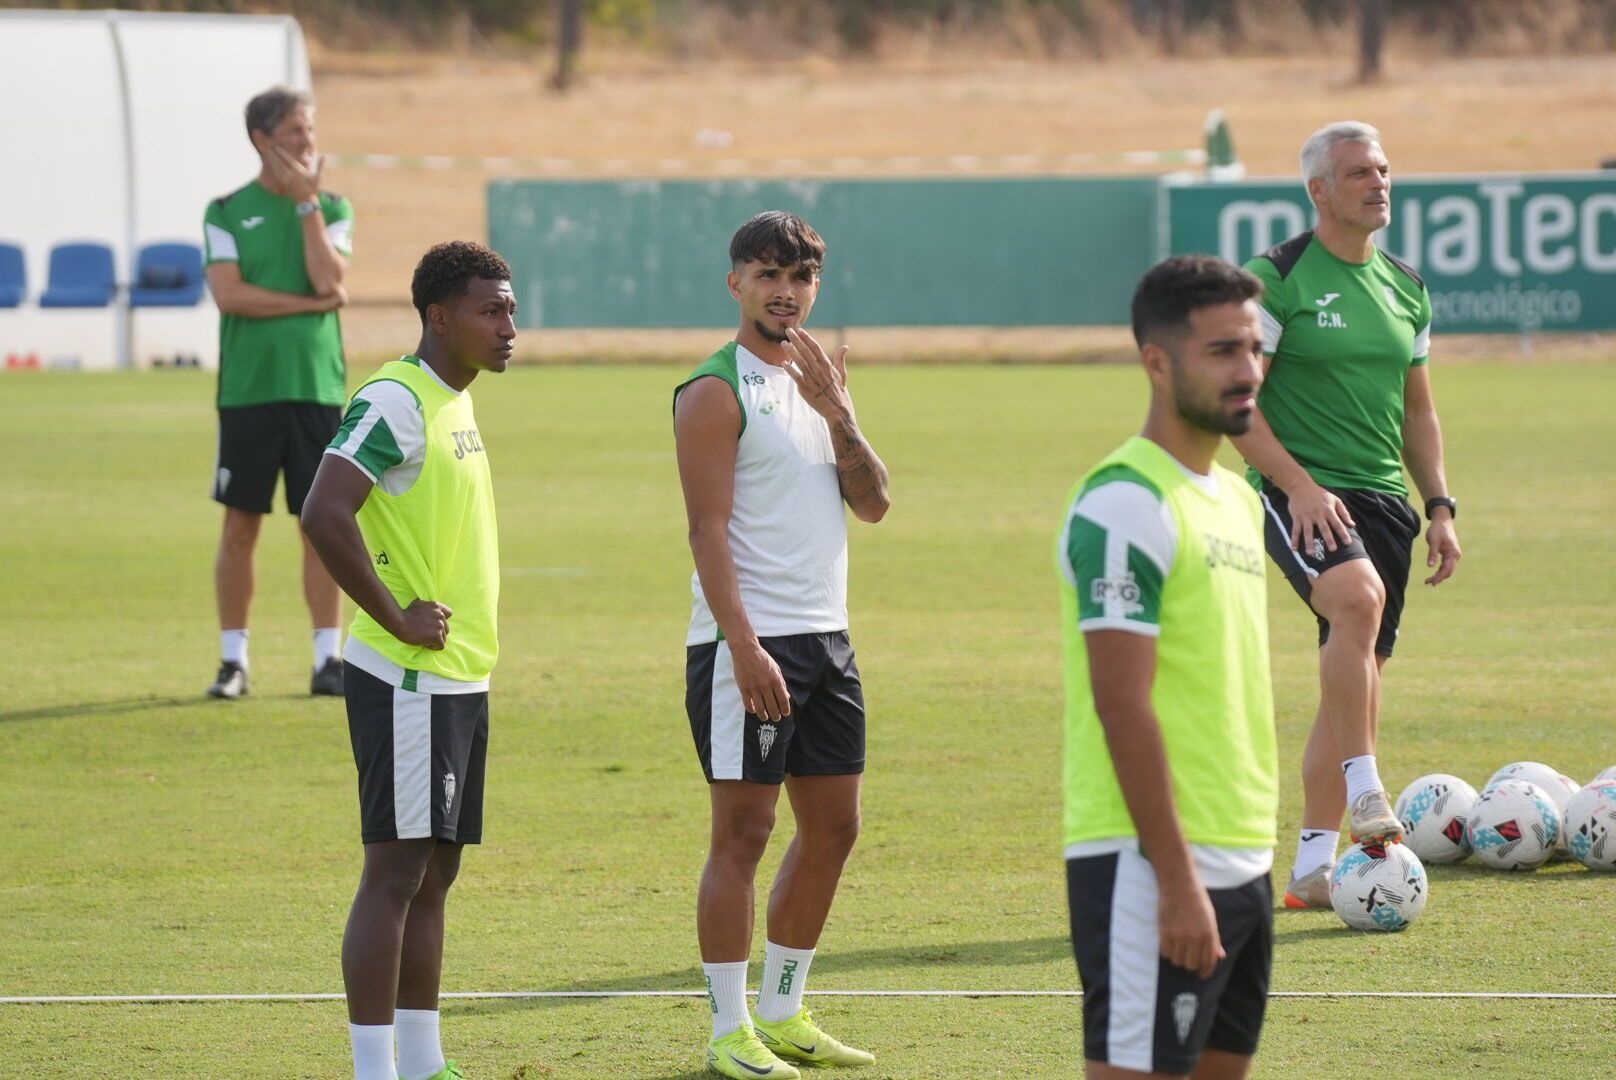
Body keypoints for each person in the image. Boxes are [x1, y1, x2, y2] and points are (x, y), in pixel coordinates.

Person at [674, 211, 891, 1079]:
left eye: (800, 277)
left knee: (835, 827)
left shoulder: (822, 381)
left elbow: (873, 504)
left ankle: (785, 1009)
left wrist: (840, 415)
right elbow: (706, 531)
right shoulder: (713, 389)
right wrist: (743, 646)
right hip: (748, 645)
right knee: (745, 832)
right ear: (736, 283)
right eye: (768, 275)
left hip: (828, 639)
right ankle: (730, 1028)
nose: (785, 291)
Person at [1232, 121, 1462, 909]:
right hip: (1299, 492)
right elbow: (1237, 405)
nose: (1379, 182)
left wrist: (1437, 504)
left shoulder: (1407, 286)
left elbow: (1419, 412)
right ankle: (1368, 793)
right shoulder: (1277, 277)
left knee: (1354, 680)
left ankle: (1307, 871)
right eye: (1360, 171)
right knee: (1356, 604)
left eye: (1384, 169)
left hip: (1385, 505)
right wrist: (1296, 485)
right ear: (1319, 190)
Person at [1058, 254, 1277, 1080]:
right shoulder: (1123, 503)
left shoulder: (1233, 496)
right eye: (1222, 351)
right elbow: (1122, 704)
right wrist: (1177, 880)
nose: (1248, 371)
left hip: (1246, 855)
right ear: (1157, 362)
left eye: (1253, 348)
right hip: (1152, 865)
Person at [301, 241, 515, 1080]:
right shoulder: (394, 397)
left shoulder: (451, 400)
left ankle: (424, 1063)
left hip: (459, 672)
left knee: (436, 872)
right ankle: (374, 1070)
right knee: (394, 872)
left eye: (510, 309)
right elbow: (324, 510)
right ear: (439, 317)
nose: (509, 327)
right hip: (409, 675)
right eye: (490, 311)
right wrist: (392, 614)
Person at [202, 85, 354, 699]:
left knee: (319, 523)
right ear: (263, 140)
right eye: (296, 131)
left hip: (317, 387)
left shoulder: (334, 207)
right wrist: (310, 304)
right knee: (241, 525)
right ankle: (233, 660)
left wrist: (305, 206)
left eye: (310, 131)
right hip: (248, 391)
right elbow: (229, 294)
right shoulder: (225, 210)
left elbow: (330, 276)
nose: (308, 142)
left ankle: (328, 660)